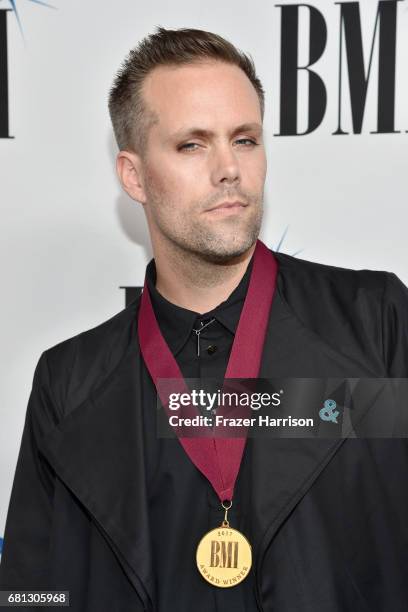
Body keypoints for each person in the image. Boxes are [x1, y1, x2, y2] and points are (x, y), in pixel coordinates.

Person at [0, 26, 407, 612]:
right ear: (134, 176)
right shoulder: (69, 383)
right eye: (192, 145)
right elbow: (33, 592)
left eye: (244, 139)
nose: (228, 170)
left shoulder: (377, 324)